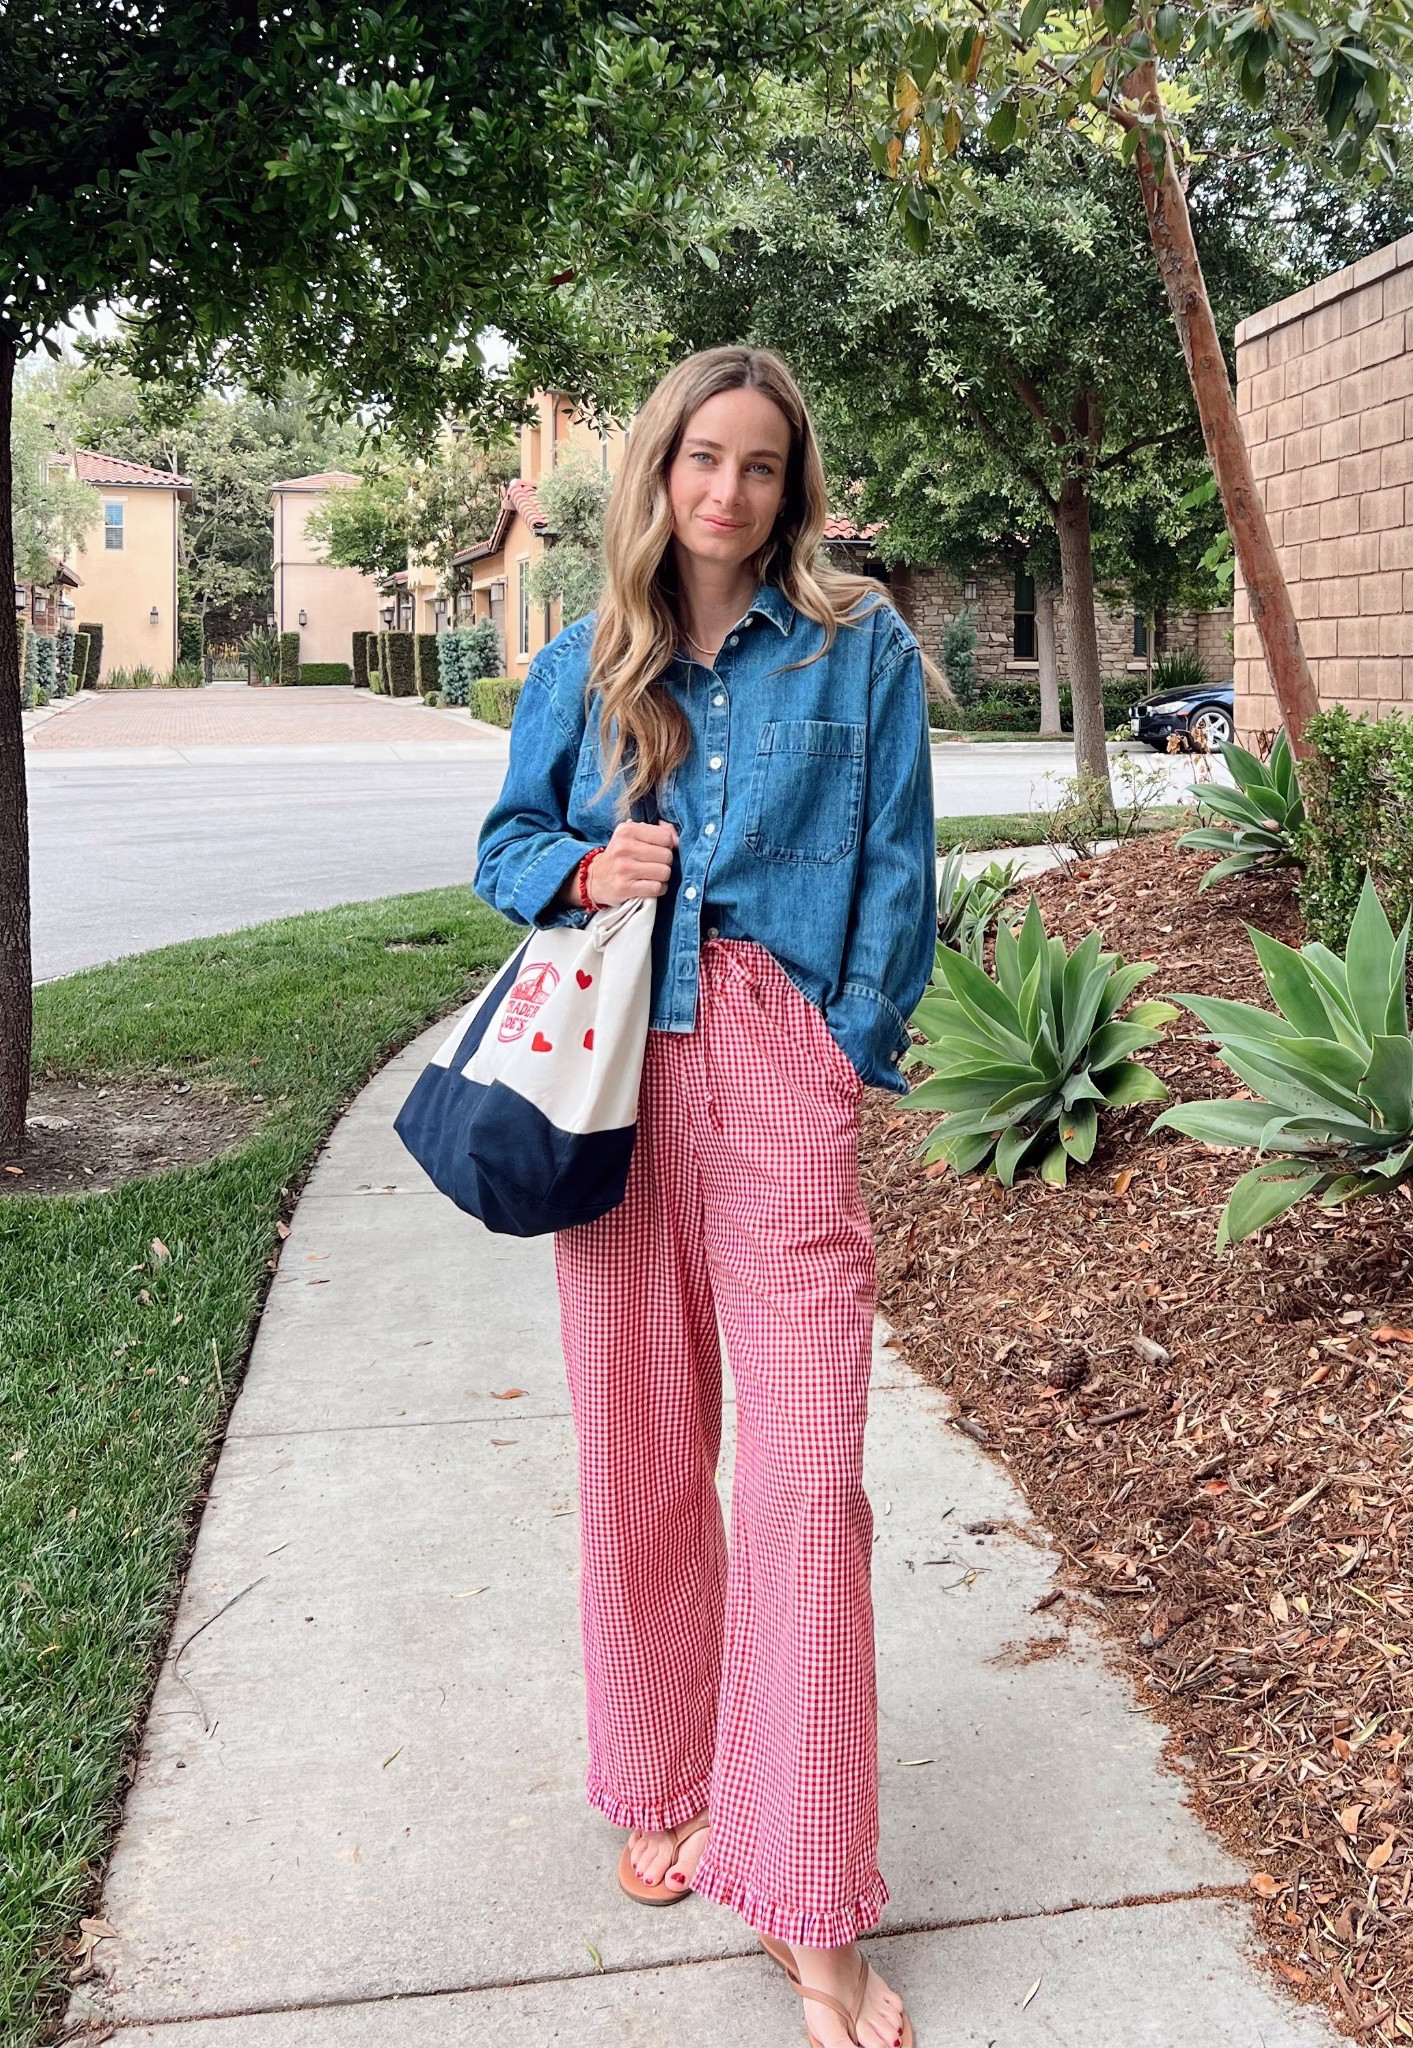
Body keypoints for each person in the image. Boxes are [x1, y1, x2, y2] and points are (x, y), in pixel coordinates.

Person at [474, 345, 935, 2048]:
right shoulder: (582, 661)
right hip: (609, 1067)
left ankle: (807, 1890)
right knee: (645, 1445)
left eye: (757, 466)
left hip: (770, 1061)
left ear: (789, 484)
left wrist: (841, 1044)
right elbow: (504, 848)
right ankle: (664, 1770)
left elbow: (900, 868)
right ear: (656, 471)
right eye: (699, 460)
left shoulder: (856, 642)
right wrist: (589, 865)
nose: (725, 493)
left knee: (807, 1480)